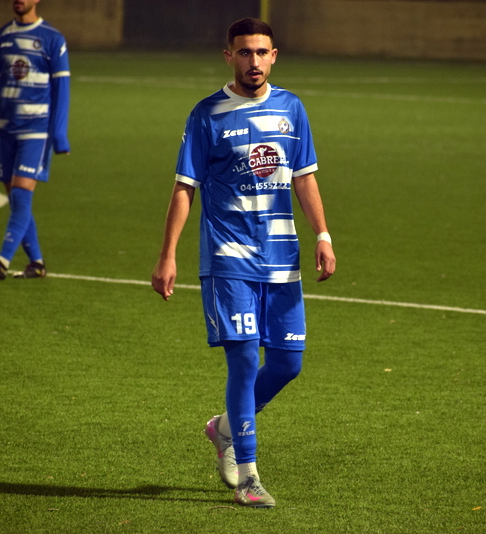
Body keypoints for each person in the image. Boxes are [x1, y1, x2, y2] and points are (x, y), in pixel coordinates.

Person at [151, 17, 336, 508]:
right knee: (244, 358)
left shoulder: (292, 108)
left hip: (282, 257)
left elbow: (304, 177)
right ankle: (249, 476)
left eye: (261, 52)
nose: (253, 61)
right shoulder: (207, 114)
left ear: (274, 56)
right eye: (244, 52)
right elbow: (185, 188)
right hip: (228, 256)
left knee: (288, 363)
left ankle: (226, 428)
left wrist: (322, 234)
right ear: (228, 56)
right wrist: (168, 254)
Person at [0, 0, 70, 280]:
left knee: (21, 195)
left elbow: (62, 88)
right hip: (5, 129)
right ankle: (36, 263)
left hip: (36, 130)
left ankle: (1, 262)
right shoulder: (3, 36)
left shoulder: (52, 39)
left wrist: (59, 134)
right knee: (17, 201)